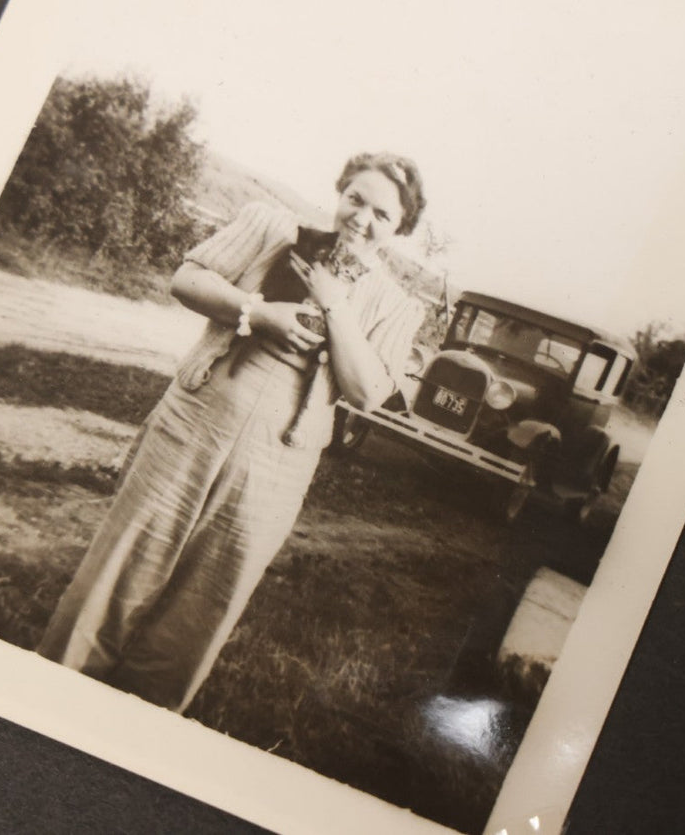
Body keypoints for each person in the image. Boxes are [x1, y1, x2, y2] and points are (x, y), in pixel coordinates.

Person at [37, 152, 426, 713]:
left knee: (203, 607)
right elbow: (187, 278)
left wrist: (336, 307)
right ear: (339, 192)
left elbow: (366, 393)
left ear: (401, 228)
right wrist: (259, 312)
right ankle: (46, 701)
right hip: (193, 421)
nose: (361, 219)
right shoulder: (273, 226)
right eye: (355, 199)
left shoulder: (396, 304)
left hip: (278, 462)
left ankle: (126, 736)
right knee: (118, 572)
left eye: (382, 215)